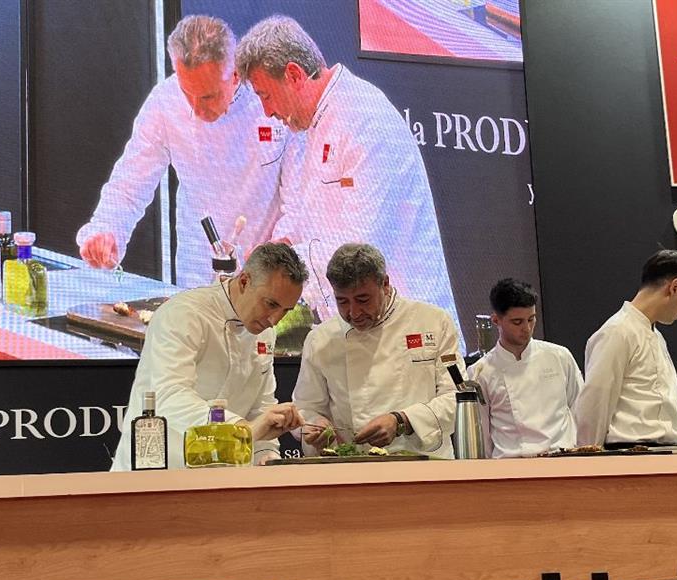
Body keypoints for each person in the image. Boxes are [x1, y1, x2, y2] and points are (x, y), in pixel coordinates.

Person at [234, 15, 459, 328]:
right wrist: (278, 246)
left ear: (295, 75)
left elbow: (357, 250)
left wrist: (278, 269)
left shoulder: (364, 119)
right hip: (362, 325)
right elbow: (307, 216)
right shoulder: (312, 128)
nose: (267, 112)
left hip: (411, 332)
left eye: (265, 95)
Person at [77, 15, 295, 288]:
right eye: (186, 92)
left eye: (208, 96)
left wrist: (281, 247)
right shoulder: (165, 101)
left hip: (267, 272)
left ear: (236, 73)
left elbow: (300, 199)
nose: (196, 109)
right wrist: (107, 229)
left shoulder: (268, 101)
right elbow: (129, 184)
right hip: (196, 271)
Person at [113, 243, 308, 470]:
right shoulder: (184, 313)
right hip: (161, 470)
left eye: (286, 310)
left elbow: (260, 406)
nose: (274, 320)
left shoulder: (266, 333)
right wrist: (242, 429)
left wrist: (266, 454)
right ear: (244, 281)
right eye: (271, 304)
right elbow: (169, 396)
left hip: (225, 479)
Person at [292, 243, 459, 458]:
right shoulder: (320, 339)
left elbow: (457, 397)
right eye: (342, 301)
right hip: (352, 466)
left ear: (385, 284)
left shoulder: (434, 322)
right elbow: (304, 408)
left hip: (423, 463)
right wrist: (314, 425)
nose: (353, 312)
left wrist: (402, 420)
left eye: (363, 299)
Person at [573, 250, 677, 448]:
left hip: (666, 450)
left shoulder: (656, 335)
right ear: (674, 287)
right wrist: (590, 459)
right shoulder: (617, 331)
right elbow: (595, 402)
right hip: (631, 453)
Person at [467, 279, 582, 457]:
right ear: (496, 320)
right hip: (511, 467)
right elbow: (482, 435)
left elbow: (580, 410)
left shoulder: (559, 356)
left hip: (562, 459)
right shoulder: (480, 371)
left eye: (531, 319)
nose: (527, 328)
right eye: (517, 322)